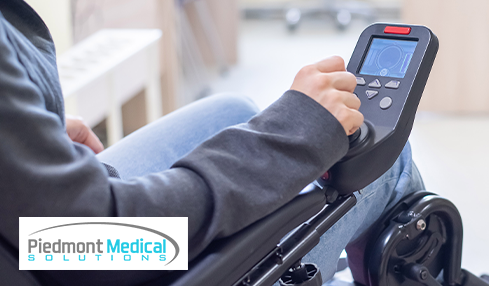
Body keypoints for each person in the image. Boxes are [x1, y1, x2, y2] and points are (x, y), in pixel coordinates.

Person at [0, 1, 425, 285]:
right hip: (82, 249)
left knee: (230, 109)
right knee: (380, 163)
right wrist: (295, 132)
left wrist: (35, 139)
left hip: (36, 232)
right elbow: (92, 241)